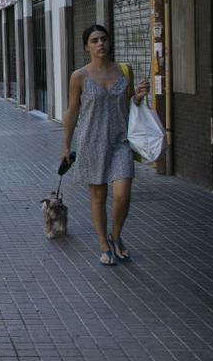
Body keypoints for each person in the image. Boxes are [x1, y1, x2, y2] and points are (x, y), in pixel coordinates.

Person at [62, 24, 150, 266]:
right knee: (98, 196)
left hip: (120, 142)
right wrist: (65, 146)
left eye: (103, 39)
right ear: (86, 46)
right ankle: (103, 244)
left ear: (109, 43)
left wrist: (139, 96)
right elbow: (72, 111)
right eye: (94, 40)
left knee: (122, 195)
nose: (100, 44)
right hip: (91, 141)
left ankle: (116, 235)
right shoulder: (78, 76)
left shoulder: (124, 71)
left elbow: (129, 103)